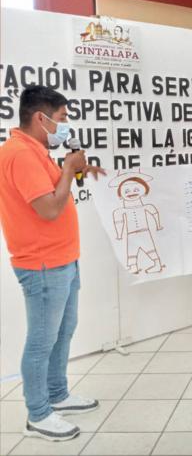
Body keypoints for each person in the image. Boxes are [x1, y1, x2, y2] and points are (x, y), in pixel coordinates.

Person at [0, 86, 104, 441]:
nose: (66, 125)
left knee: (64, 329)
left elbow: (52, 194)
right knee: (42, 340)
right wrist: (69, 169)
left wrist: (72, 169)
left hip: (63, 259)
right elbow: (49, 209)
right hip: (43, 264)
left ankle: (57, 394)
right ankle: (38, 414)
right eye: (62, 118)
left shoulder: (36, 151)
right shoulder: (20, 154)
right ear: (40, 118)